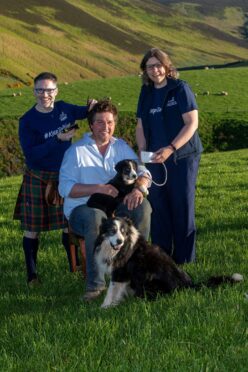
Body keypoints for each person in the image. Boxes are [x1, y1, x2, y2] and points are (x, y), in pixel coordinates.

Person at [59, 99, 152, 301]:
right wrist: (98, 188)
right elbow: (65, 188)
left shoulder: (120, 147)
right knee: (96, 217)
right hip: (81, 208)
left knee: (142, 207)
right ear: (91, 125)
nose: (106, 127)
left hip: (116, 206)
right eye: (100, 122)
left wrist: (139, 188)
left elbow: (143, 170)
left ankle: (137, 276)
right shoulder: (76, 152)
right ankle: (96, 286)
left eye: (110, 122)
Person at [13, 72, 95, 285]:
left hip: (65, 175)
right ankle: (32, 275)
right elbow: (31, 154)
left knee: (69, 224)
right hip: (38, 177)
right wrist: (58, 139)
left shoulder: (64, 108)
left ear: (56, 91)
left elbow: (86, 112)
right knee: (33, 229)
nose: (44, 94)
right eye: (40, 90)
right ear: (34, 92)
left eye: (49, 90)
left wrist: (93, 106)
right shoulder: (27, 121)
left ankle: (74, 268)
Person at [136, 48, 203, 264]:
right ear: (145, 70)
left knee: (181, 205)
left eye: (158, 65)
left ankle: (184, 261)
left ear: (167, 66)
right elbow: (140, 125)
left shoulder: (180, 89)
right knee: (159, 208)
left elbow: (192, 123)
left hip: (182, 157)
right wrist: (142, 153)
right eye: (150, 66)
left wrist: (171, 148)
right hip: (154, 158)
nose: (155, 70)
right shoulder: (146, 92)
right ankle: (163, 260)